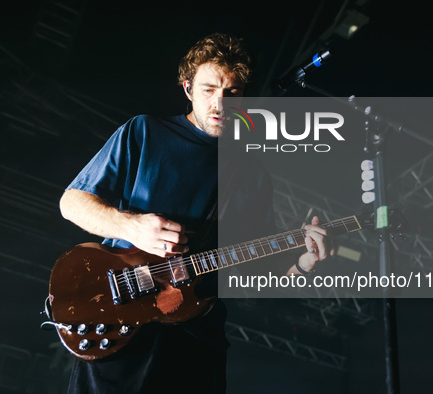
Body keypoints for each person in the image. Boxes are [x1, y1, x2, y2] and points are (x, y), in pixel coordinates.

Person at [59, 32, 333, 394]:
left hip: (197, 336)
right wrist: (133, 227)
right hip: (122, 318)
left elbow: (251, 270)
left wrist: (300, 265)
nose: (220, 103)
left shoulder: (253, 174)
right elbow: (71, 202)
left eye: (232, 92)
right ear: (187, 88)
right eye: (209, 89)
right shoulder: (145, 132)